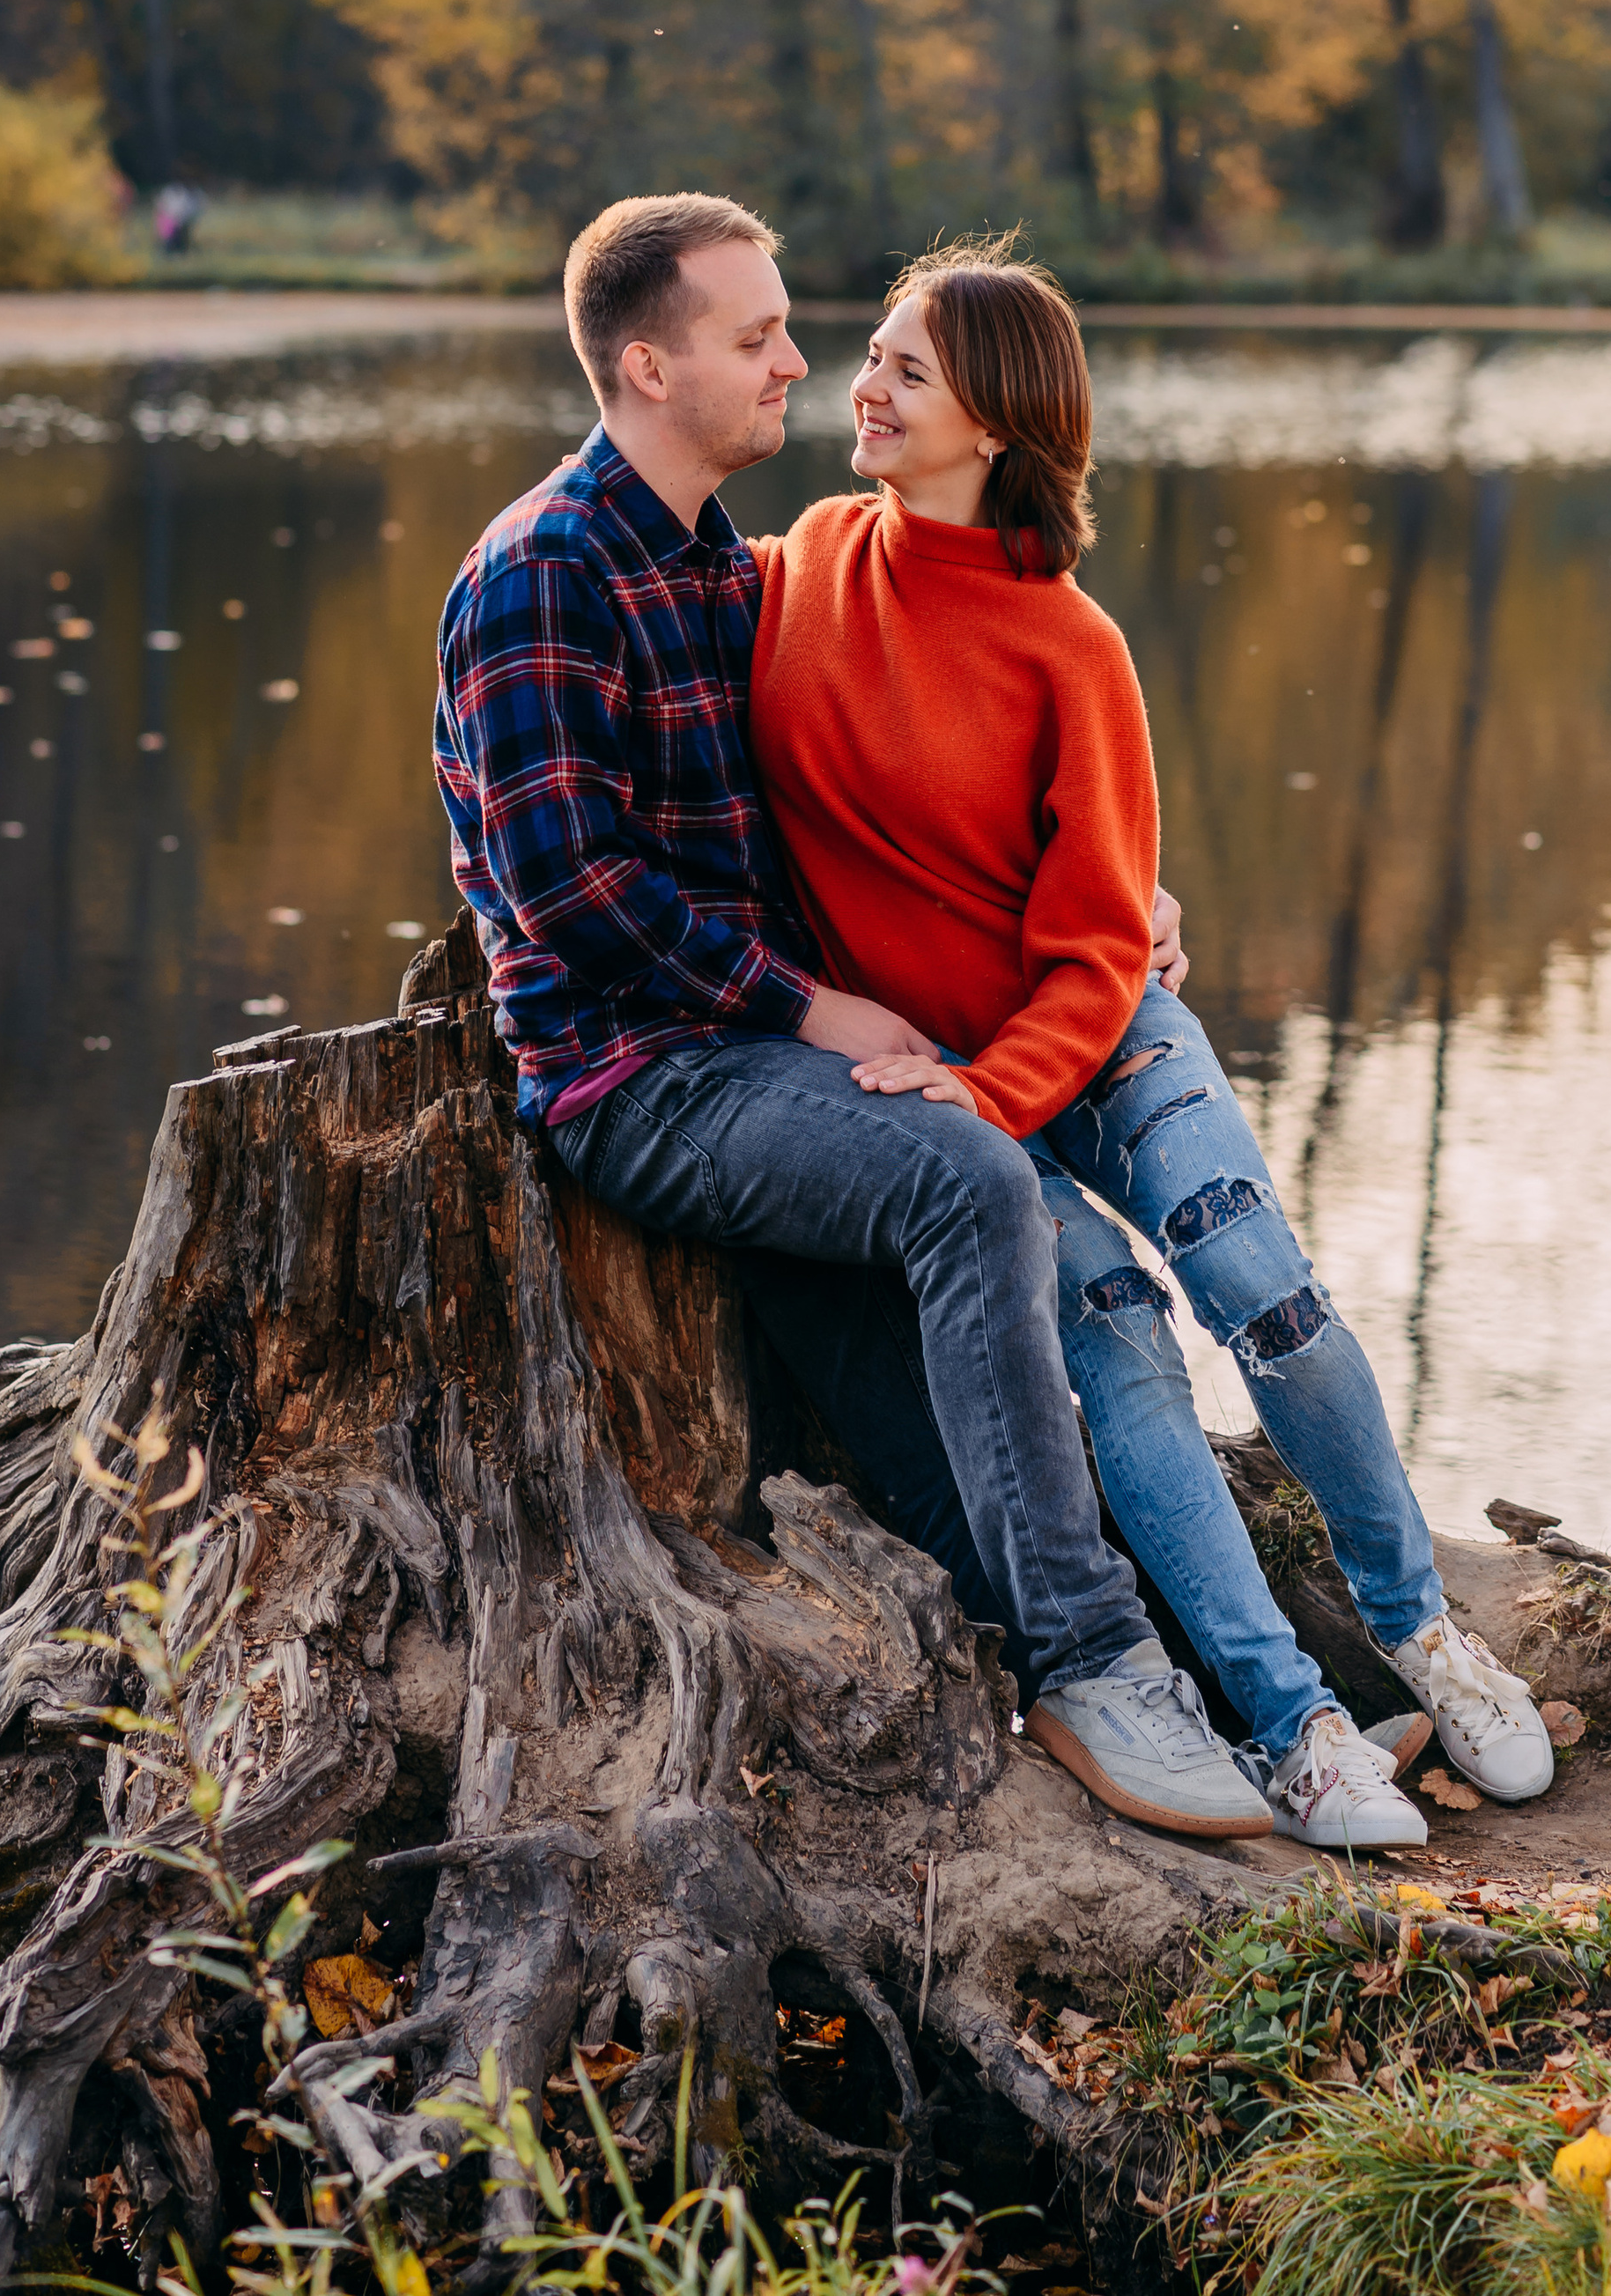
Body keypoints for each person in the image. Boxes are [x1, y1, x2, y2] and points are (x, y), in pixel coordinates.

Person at [434, 191, 1274, 1842]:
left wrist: (1103, 880)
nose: (798, 364)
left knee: (939, 1384)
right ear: (644, 361)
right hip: (647, 1077)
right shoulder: (540, 572)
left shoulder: (719, 567)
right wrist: (813, 1008)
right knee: (967, 1176)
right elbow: (571, 896)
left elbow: (910, 729)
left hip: (767, 1072)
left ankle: (1231, 1695)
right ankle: (1096, 1665)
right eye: (756, 337)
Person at [742, 234, 1554, 1849]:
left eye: (910, 363)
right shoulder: (794, 569)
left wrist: (992, 1086)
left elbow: (1107, 937)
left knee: (1265, 1292)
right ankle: (1294, 1722)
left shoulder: (1073, 642)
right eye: (875, 354)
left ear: (998, 416)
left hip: (1095, 1034)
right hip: (936, 1088)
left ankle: (1420, 1626)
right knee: (1114, 1352)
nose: (868, 381)